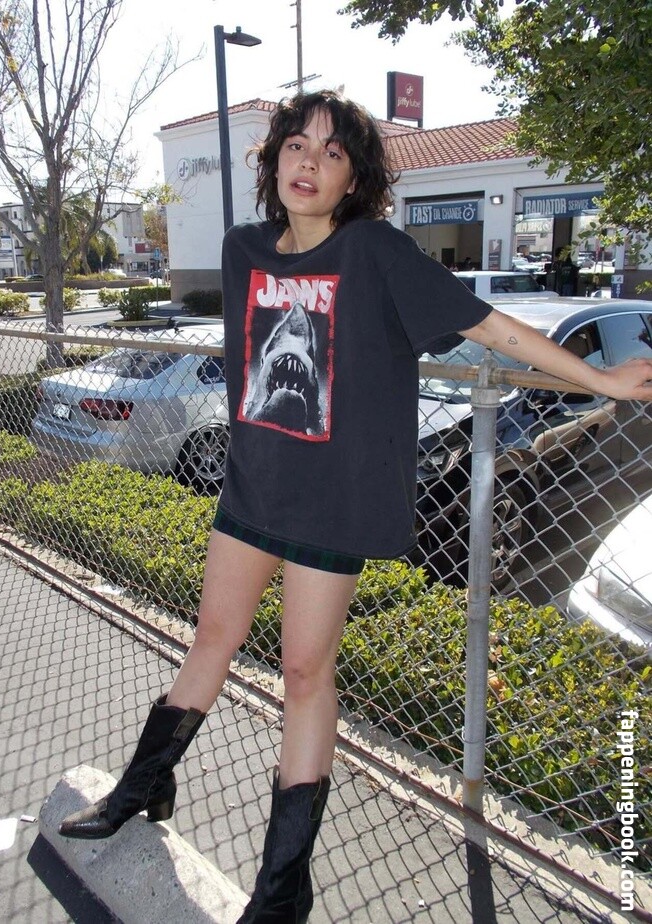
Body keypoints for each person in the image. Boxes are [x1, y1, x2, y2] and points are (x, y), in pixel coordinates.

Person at [57, 90, 652, 922]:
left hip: (331, 502)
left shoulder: (374, 251)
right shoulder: (241, 249)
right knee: (212, 639)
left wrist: (598, 378)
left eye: (333, 153)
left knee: (305, 671)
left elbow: (488, 327)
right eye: (297, 146)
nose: (310, 163)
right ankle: (142, 787)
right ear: (274, 162)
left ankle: (281, 891)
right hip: (253, 486)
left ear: (354, 178)